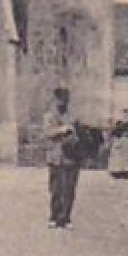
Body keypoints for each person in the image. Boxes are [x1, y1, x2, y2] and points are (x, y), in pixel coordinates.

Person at [43, 87, 81, 228]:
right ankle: (54, 216)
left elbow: (78, 134)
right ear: (56, 99)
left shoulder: (72, 116)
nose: (63, 102)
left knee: (69, 189)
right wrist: (63, 129)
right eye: (60, 99)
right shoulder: (49, 116)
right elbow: (47, 132)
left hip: (71, 157)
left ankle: (66, 217)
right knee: (56, 189)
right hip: (55, 157)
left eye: (66, 99)